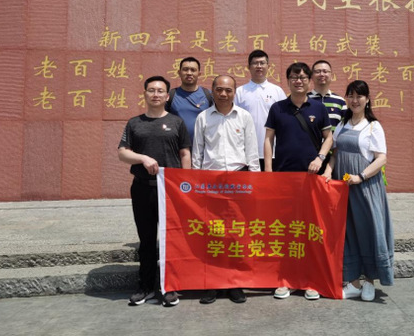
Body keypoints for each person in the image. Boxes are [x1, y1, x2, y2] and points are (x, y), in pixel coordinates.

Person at [118, 75, 191, 307]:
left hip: (170, 190)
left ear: (167, 96)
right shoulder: (134, 123)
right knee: (147, 239)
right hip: (142, 188)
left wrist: (185, 184)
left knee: (172, 239)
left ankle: (170, 286)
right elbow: (122, 153)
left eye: (160, 91)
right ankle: (146, 286)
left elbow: (185, 153)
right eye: (151, 90)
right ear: (145, 94)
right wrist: (142, 158)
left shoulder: (176, 122)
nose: (156, 94)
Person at [264, 62, 333, 301]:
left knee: (311, 231)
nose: (299, 81)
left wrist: (320, 158)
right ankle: (287, 279)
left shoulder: (318, 108)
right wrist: (269, 171)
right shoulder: (277, 108)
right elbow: (268, 139)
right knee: (286, 231)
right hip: (284, 178)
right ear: (288, 80)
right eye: (294, 77)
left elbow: (328, 137)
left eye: (303, 77)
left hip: (311, 179)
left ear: (309, 80)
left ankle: (311, 280)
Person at [321, 80, 393, 302]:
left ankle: (369, 281)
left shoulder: (373, 126)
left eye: (359, 96)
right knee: (348, 233)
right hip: (343, 189)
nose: (354, 100)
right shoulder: (342, 124)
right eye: (350, 96)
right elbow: (335, 154)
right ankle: (353, 283)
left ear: (367, 99)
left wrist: (360, 176)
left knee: (368, 231)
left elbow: (381, 158)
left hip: (366, 188)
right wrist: (328, 171)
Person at [192, 75, 260, 304]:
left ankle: (235, 283)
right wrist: (196, 184)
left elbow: (252, 151)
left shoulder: (244, 116)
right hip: (211, 182)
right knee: (213, 234)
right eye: (219, 89)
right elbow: (197, 153)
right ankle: (212, 283)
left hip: (239, 181)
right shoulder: (203, 117)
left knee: (237, 234)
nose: (223, 94)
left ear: (234, 92)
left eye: (228, 90)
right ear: (212, 91)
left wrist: (255, 183)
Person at [234, 50, 286, 170]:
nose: (259, 66)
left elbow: (284, 120)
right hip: (245, 152)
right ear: (248, 67)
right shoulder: (240, 92)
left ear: (268, 66)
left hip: (273, 152)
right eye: (255, 63)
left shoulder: (277, 91)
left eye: (262, 63)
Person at [166, 56, 213, 142]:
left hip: (203, 146)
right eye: (185, 69)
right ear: (179, 73)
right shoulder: (170, 96)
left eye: (193, 70)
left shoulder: (209, 95)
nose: (189, 73)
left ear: (199, 74)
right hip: (177, 146)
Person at [307, 60, 346, 132]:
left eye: (325, 71)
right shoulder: (304, 99)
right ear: (312, 76)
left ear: (331, 76)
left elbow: (345, 128)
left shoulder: (340, 101)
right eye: (318, 71)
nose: (321, 74)